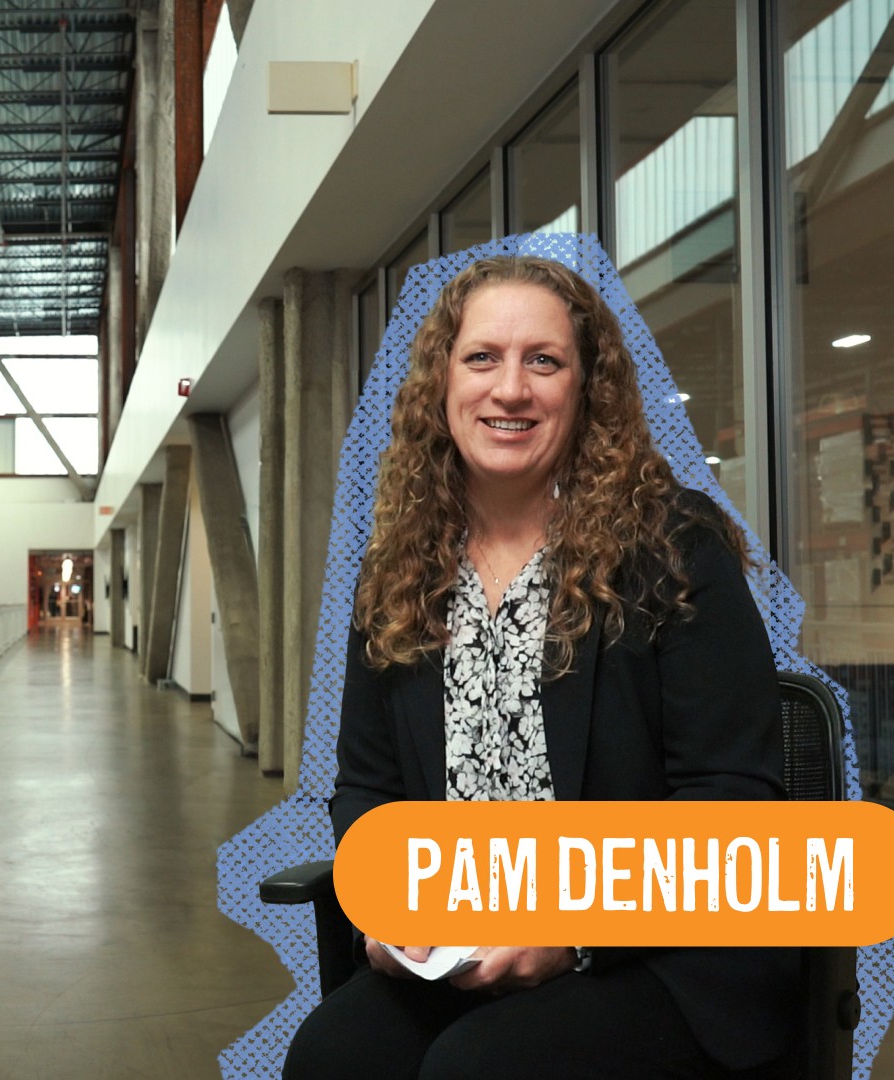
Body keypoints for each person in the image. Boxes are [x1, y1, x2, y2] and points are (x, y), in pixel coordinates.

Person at [283, 256, 799, 1080]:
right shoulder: (400, 567)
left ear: (586, 389)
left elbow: (731, 801)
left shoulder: (674, 548)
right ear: (441, 384)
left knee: (479, 1070)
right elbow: (365, 787)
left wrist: (572, 931)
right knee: (330, 1059)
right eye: (482, 357)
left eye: (544, 361)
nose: (511, 389)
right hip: (460, 949)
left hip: (657, 953)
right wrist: (385, 901)